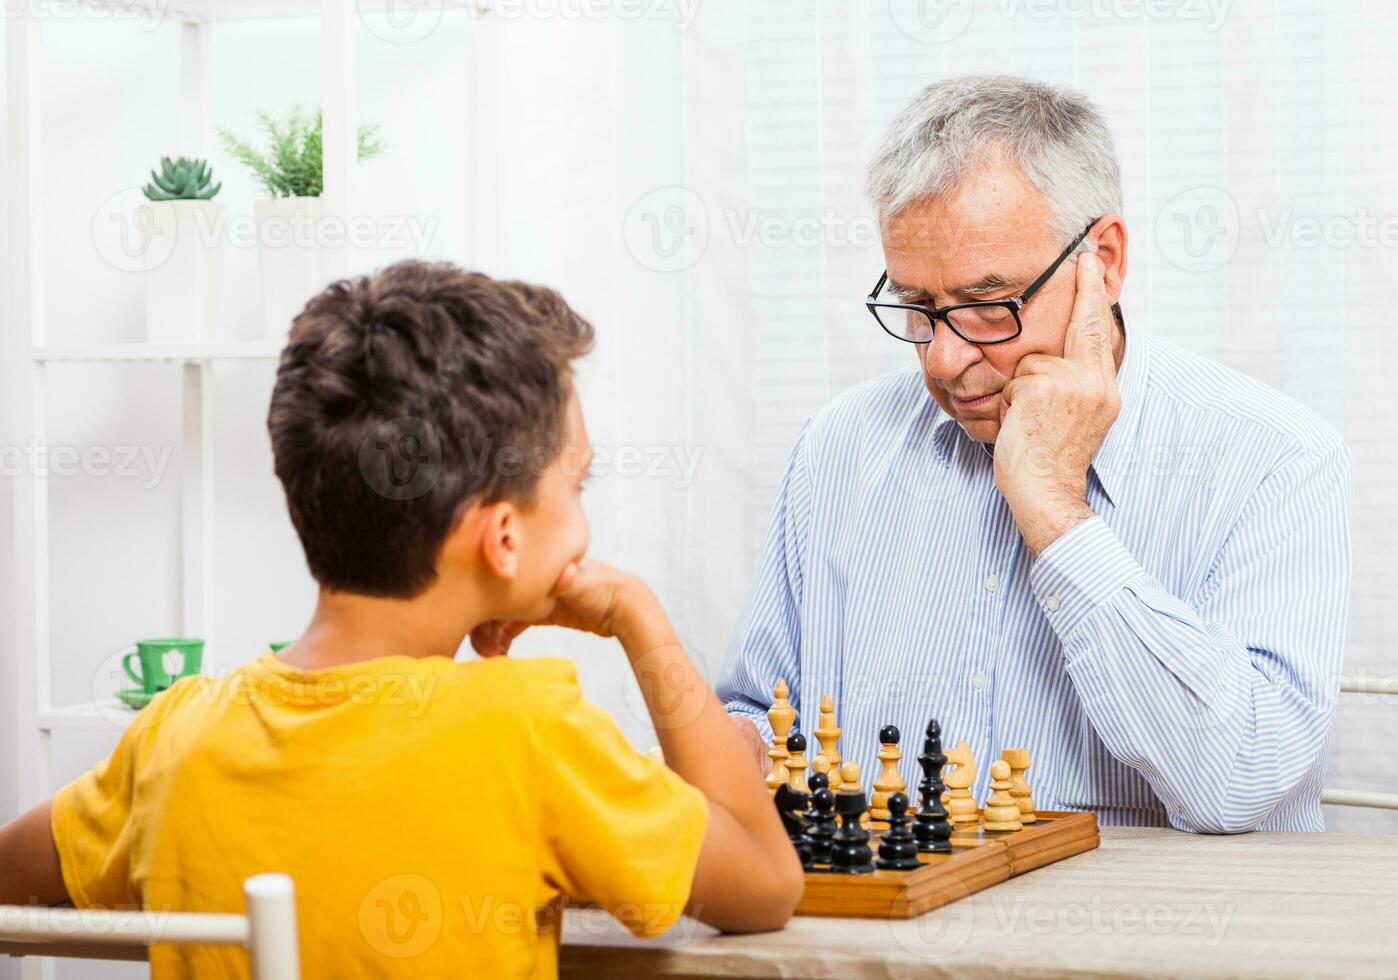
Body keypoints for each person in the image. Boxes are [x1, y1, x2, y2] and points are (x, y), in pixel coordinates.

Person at [0, 261, 802, 976]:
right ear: (505, 539)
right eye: (576, 487)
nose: (585, 522)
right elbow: (767, 886)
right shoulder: (527, 732)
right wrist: (639, 616)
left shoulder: (174, 739)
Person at [718, 74, 1352, 834]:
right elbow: (760, 709)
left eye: (992, 306)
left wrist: (1055, 510)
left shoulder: (1275, 457)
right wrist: (726, 752)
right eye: (919, 309)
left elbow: (1239, 782)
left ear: (1104, 262)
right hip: (898, 941)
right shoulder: (839, 447)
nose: (945, 361)